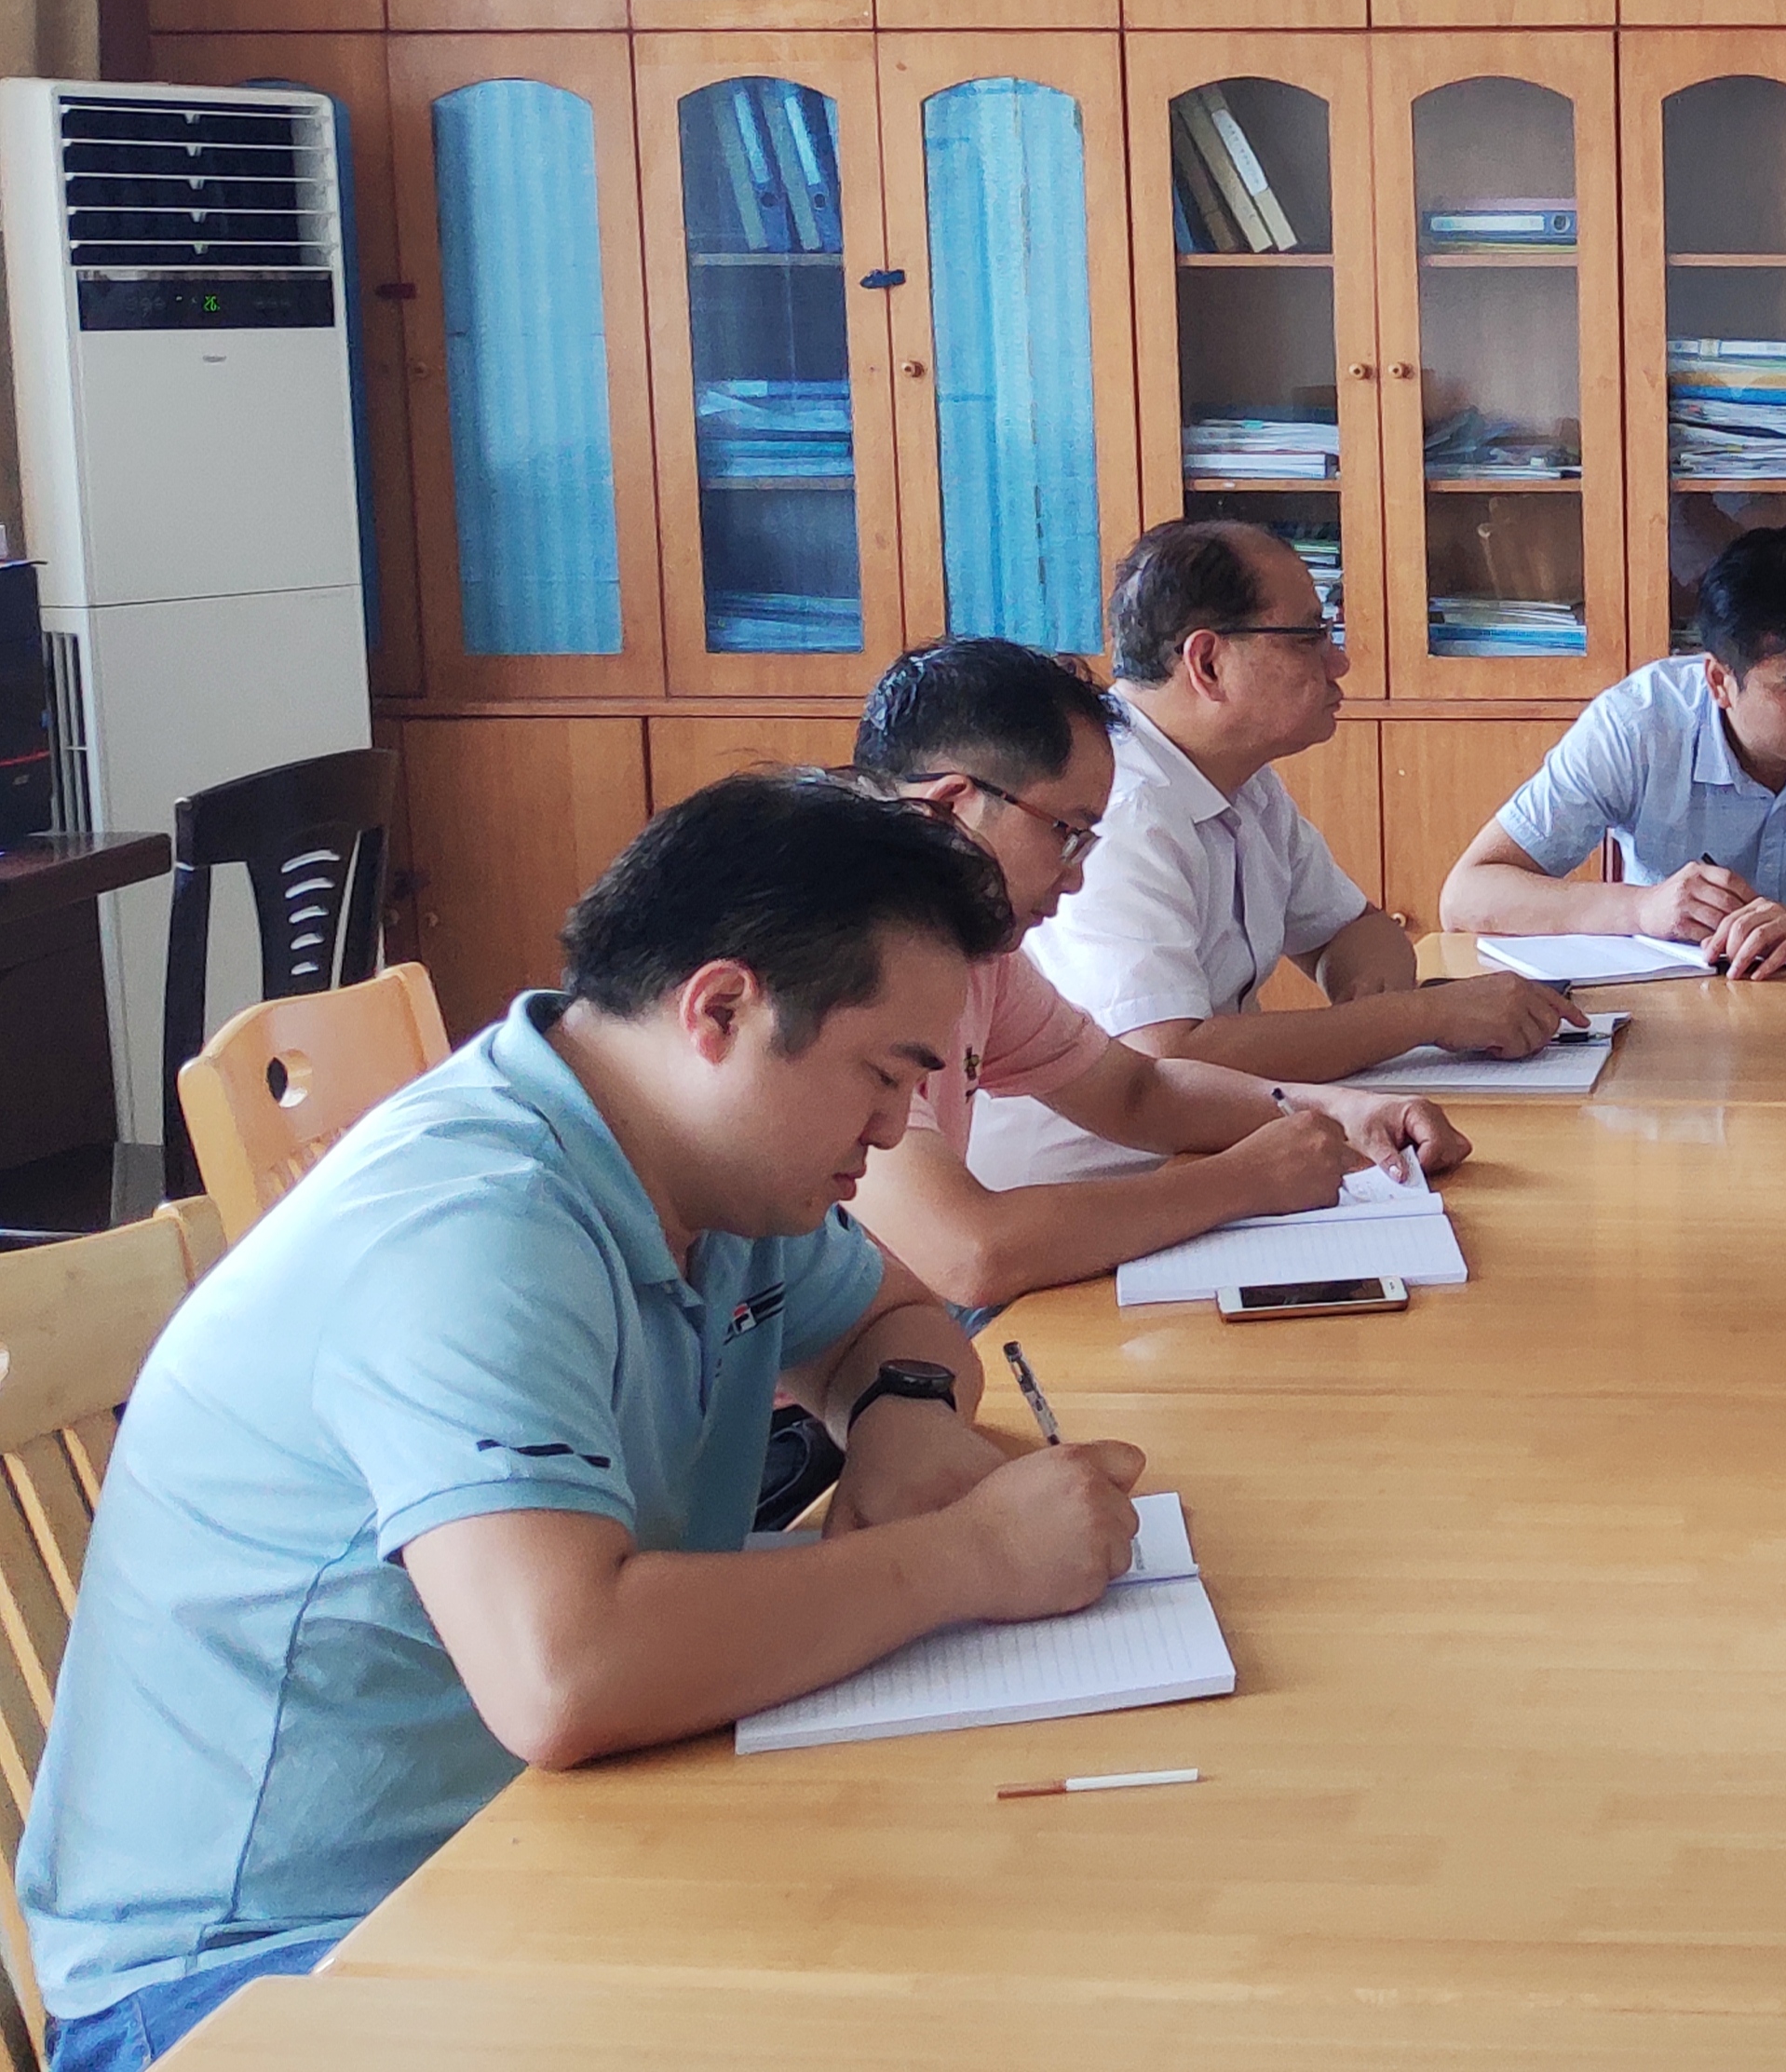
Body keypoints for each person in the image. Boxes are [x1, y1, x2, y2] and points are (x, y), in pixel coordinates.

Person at [13, 774, 1155, 2072]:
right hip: (259, 1978)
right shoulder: (474, 1224)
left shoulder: (703, 1165)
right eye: (883, 1075)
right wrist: (970, 1556)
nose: (898, 1128)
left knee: (996, 1933)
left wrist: (903, 1425)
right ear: (720, 1010)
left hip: (529, 1849)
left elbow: (894, 1317)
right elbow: (567, 1673)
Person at [846, 638, 1467, 1307]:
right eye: (1067, 833)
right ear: (951, 805)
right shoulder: (830, 962)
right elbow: (972, 1253)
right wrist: (1244, 1180)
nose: (1077, 877)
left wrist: (1346, 1110)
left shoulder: (975, 953)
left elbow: (1135, 1090)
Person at [974, 521, 1576, 1192]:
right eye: (1309, 635)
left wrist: (1369, 1021)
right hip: (1101, 1192)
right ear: (1207, 663)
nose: (1338, 662)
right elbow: (1168, 1055)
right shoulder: (1118, 805)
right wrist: (1422, 1017)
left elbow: (1356, 931)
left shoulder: (1243, 780)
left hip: (1222, 1155)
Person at [1439, 525, 1786, 977]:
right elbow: (1468, 894)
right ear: (1721, 682)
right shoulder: (1639, 723)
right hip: (1676, 1015)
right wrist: (1641, 908)